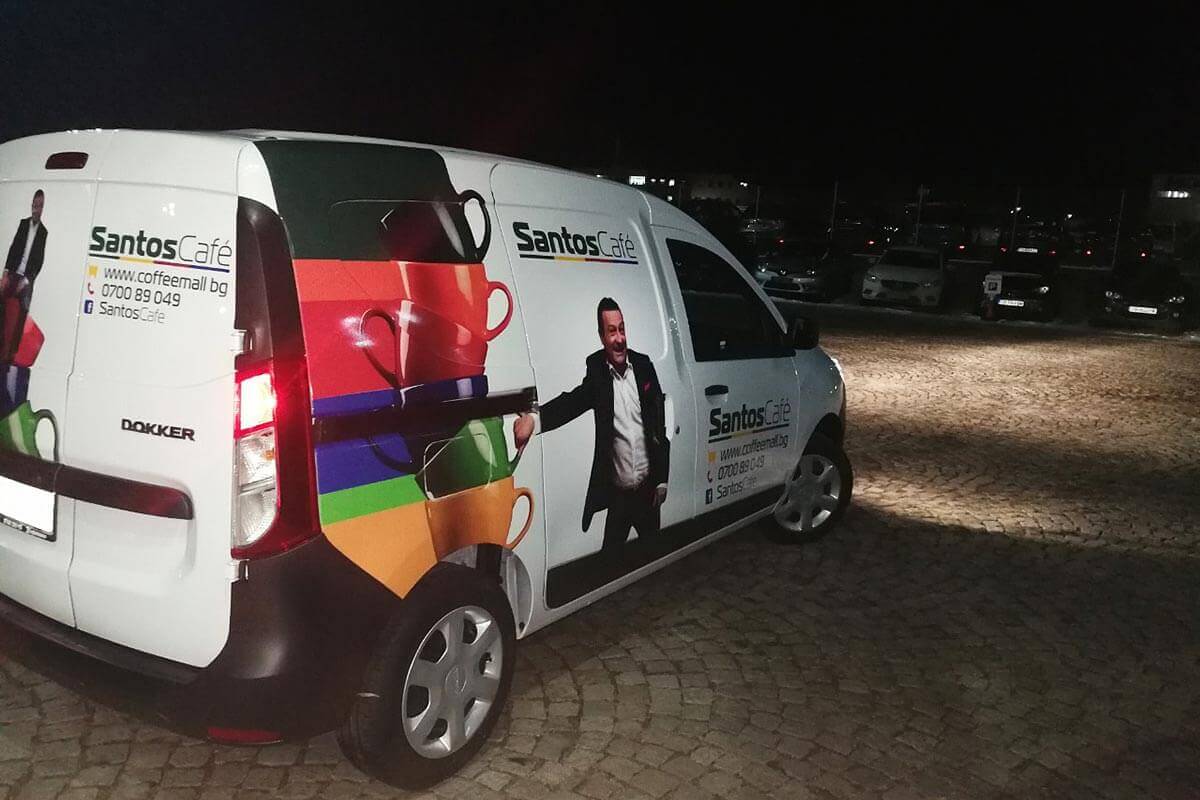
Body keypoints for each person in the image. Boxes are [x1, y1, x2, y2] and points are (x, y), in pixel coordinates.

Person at [514, 297, 669, 564]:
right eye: (612, 331)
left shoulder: (644, 366)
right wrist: (534, 420)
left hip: (647, 492)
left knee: (654, 562)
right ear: (601, 336)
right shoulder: (597, 371)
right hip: (619, 496)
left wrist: (662, 479)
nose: (619, 339)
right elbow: (572, 402)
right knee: (608, 563)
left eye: (622, 329)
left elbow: (659, 424)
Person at [1, 190, 47, 362]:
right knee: (2, 307)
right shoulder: (23, 224)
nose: (36, 209)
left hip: (27, 279)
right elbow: (13, 248)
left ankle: (12, 354)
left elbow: (39, 260)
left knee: (22, 313)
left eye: (39, 206)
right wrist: (6, 272)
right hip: (13, 274)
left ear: (43, 208)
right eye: (34, 205)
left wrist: (27, 279)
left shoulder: (43, 232)